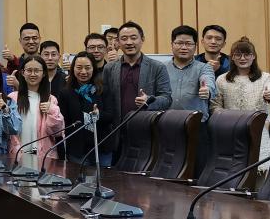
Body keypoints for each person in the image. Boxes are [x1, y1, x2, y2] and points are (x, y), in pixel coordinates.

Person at [101, 21, 172, 159]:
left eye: (133, 38)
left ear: (142, 39)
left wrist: (149, 100)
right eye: (124, 38)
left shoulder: (157, 67)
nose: (129, 42)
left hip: (146, 132)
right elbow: (105, 99)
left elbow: (167, 99)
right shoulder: (109, 68)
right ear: (118, 43)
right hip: (117, 134)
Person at [212, 37, 270, 172]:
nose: (242, 58)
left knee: (260, 169)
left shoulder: (264, 77)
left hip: (258, 132)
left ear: (253, 56)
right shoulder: (222, 79)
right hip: (231, 132)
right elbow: (215, 105)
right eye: (238, 55)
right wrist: (224, 119)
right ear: (232, 57)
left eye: (247, 54)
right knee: (232, 170)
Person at [167, 25, 216, 174]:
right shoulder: (162, 69)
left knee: (197, 170)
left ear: (195, 46)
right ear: (172, 44)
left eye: (188, 44)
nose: (184, 47)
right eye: (179, 43)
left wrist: (207, 90)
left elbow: (208, 82)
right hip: (169, 126)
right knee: (170, 169)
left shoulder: (204, 68)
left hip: (197, 127)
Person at [57, 51, 112, 164]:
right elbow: (64, 123)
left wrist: (99, 115)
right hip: (77, 150)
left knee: (104, 175)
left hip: (101, 147)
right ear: (73, 69)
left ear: (94, 69)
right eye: (79, 67)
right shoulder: (65, 93)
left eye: (87, 68)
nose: (83, 72)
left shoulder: (103, 89)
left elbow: (111, 115)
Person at [13, 55, 65, 170]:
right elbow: (9, 131)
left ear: (44, 73)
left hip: (43, 156)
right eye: (29, 70)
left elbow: (57, 132)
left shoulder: (51, 99)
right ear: (22, 73)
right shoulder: (13, 98)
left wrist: (52, 111)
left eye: (37, 70)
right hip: (19, 155)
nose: (33, 74)